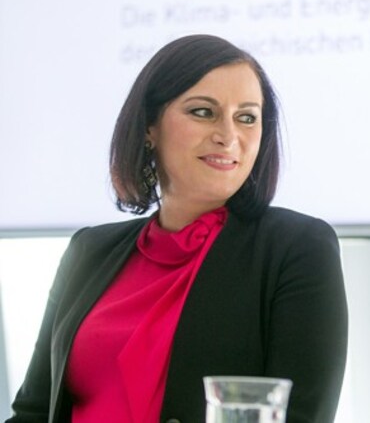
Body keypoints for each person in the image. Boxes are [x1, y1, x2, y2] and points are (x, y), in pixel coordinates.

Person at [7, 34, 348, 423]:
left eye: (247, 117)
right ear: (149, 126)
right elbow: (32, 412)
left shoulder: (299, 248)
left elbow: (302, 417)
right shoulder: (88, 250)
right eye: (203, 112)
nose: (228, 135)